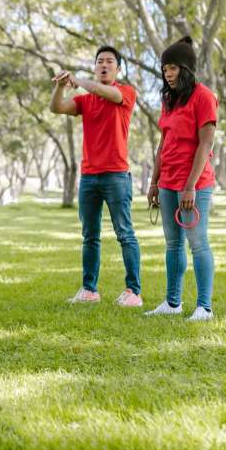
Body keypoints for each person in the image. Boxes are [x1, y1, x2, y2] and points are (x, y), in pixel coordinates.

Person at [49, 46, 142, 307]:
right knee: (90, 235)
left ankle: (133, 291)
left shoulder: (125, 93)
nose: (104, 64)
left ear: (118, 69)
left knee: (125, 233)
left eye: (109, 61)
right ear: (94, 66)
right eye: (99, 61)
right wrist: (61, 86)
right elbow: (56, 108)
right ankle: (89, 290)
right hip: (89, 176)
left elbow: (105, 92)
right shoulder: (85, 101)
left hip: (116, 175)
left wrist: (78, 81)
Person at [145, 36, 217, 321]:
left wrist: (190, 186)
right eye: (165, 69)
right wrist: (154, 182)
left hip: (194, 184)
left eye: (173, 68)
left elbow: (205, 144)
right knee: (172, 244)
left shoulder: (204, 96)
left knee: (197, 242)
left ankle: (204, 307)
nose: (168, 74)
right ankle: (172, 302)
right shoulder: (168, 100)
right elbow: (163, 144)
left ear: (186, 69)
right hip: (167, 182)